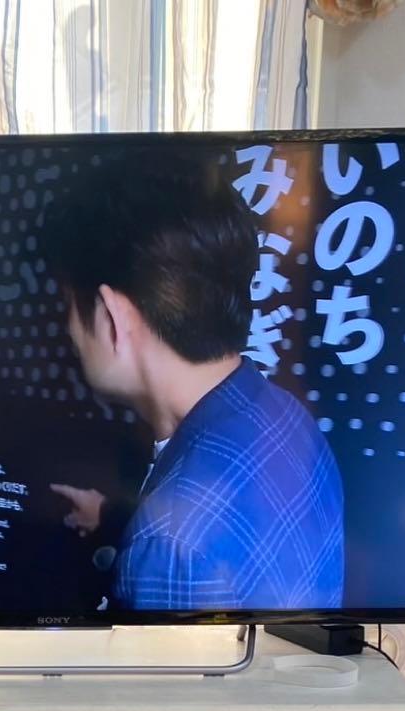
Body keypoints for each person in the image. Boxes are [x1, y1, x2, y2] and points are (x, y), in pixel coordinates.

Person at [44, 152, 344, 611]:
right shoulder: (283, 412)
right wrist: (114, 517)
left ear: (110, 317)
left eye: (67, 303)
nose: (66, 327)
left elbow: (186, 551)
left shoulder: (171, 545)